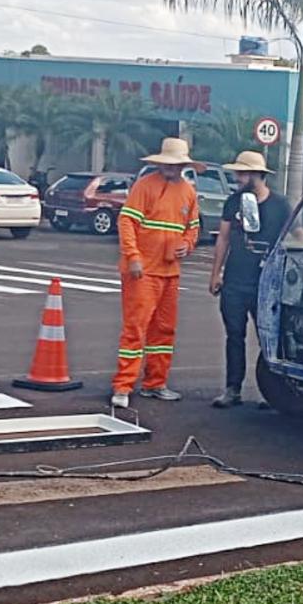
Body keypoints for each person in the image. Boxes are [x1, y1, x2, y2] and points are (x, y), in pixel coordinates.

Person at [111, 137, 200, 408]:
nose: (171, 169)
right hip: (142, 272)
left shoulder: (188, 192)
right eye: (168, 164)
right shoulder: (145, 186)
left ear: (183, 165)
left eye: (176, 165)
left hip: (169, 272)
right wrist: (133, 257)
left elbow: (193, 227)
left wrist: (187, 244)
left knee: (164, 330)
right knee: (136, 329)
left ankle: (155, 383)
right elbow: (126, 221)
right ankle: (123, 386)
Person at [209, 150, 291, 408]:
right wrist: (216, 273)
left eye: (243, 173)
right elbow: (222, 238)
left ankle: (275, 392)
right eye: (238, 172)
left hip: (266, 283)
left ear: (258, 175)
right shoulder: (233, 202)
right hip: (235, 279)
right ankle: (233, 388)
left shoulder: (280, 205)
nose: (238, 177)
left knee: (271, 338)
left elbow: (298, 235)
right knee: (234, 335)